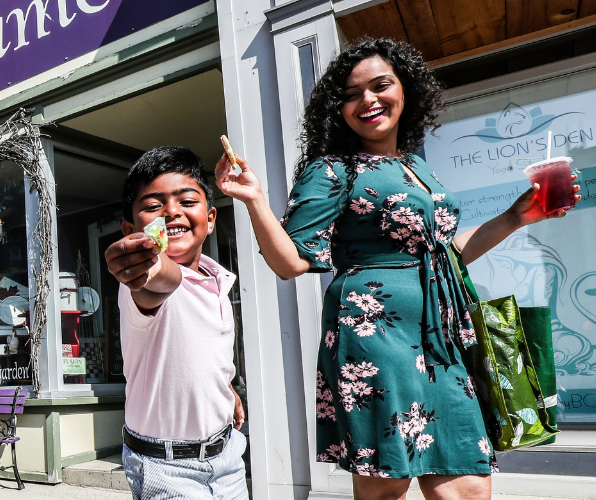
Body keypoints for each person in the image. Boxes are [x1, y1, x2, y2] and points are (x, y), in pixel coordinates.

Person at [214, 38, 580, 500]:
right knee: (386, 485)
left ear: (405, 91)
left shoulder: (417, 169)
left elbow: (445, 255)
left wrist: (514, 217)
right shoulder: (332, 171)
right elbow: (290, 261)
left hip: (443, 338)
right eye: (351, 94)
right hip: (374, 339)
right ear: (339, 109)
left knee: (467, 485)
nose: (367, 100)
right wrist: (254, 200)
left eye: (379, 85)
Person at [105, 146, 248, 500]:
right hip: (166, 469)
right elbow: (160, 279)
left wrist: (225, 390)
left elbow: (202, 352)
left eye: (186, 200)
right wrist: (140, 263)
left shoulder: (218, 279)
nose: (171, 211)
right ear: (130, 227)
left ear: (211, 218)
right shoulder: (143, 284)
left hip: (228, 456)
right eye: (153, 206)